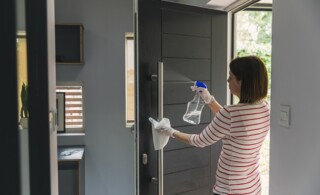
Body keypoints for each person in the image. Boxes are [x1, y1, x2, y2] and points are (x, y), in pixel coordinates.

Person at [150, 55, 270, 195]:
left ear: (241, 82)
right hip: (252, 186)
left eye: (231, 77)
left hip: (229, 189)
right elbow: (232, 122)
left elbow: (200, 141)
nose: (227, 80)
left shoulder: (231, 114)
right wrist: (208, 98)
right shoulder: (265, 108)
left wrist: (169, 131)